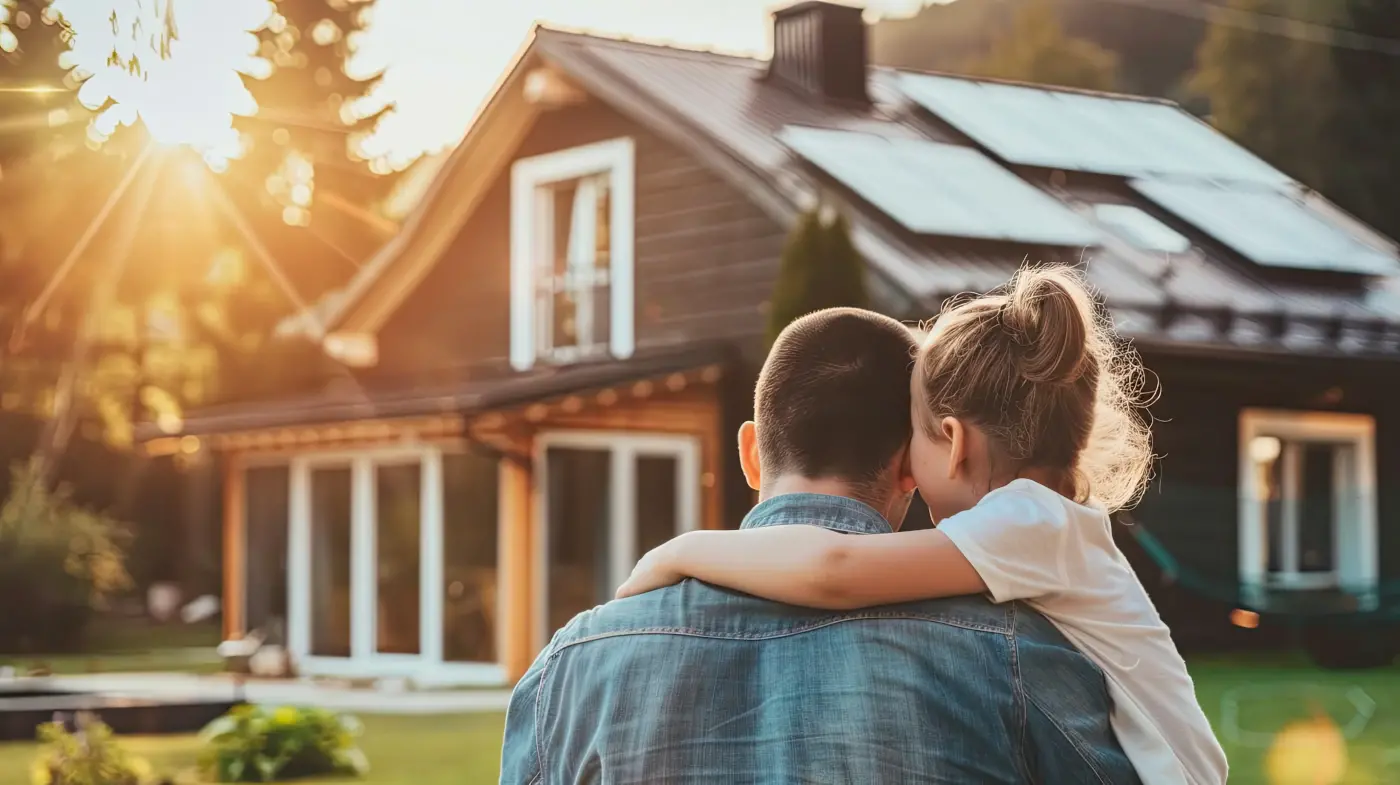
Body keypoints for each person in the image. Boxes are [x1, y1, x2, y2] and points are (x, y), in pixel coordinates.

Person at [618, 268, 1228, 784]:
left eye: (913, 438)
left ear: (954, 441)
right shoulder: (1046, 527)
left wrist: (683, 551)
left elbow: (835, 570)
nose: (907, 468)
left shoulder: (1028, 520)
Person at [501, 306, 1141, 784]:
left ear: (751, 454)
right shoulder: (1019, 654)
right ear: (908, 470)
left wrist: (674, 553)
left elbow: (832, 569)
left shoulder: (573, 665)